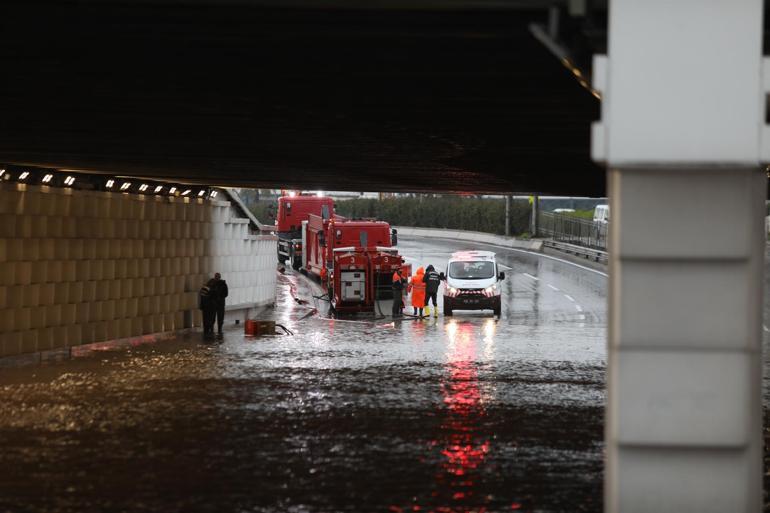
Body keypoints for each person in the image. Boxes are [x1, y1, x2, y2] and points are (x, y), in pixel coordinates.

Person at [209, 272, 229, 337]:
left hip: (219, 303)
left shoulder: (222, 284)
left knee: (219, 317)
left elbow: (226, 294)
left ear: (219, 277)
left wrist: (219, 297)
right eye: (216, 276)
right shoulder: (212, 283)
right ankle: (214, 329)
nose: (217, 278)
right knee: (213, 317)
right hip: (215, 303)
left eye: (217, 277)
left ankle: (218, 329)